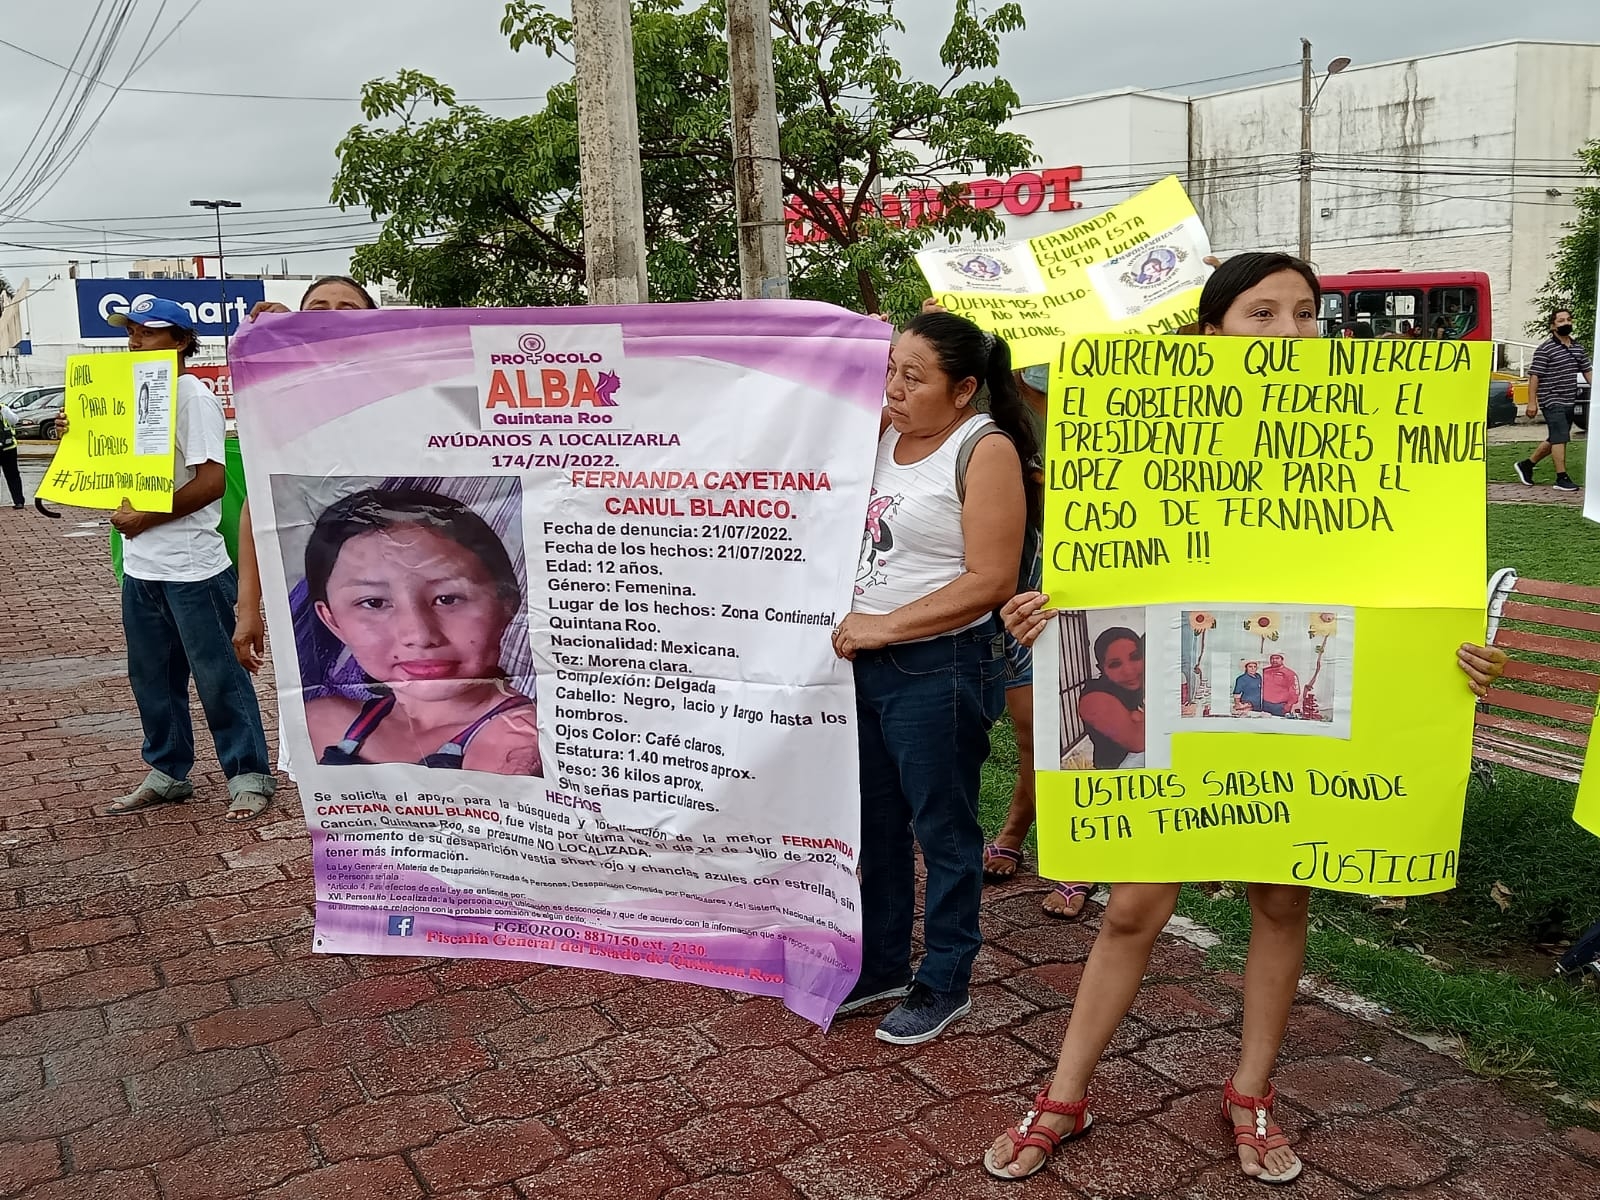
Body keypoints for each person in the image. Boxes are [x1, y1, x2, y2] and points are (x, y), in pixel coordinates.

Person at [982, 252, 1509, 1185]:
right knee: (1136, 904)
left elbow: (1416, 584)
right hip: (1179, 689)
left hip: (1302, 691)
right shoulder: (1144, 434)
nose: (1290, 332)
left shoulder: (1371, 430)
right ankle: (1065, 1092)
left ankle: (1251, 1091)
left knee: (1280, 893)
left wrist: (1455, 659)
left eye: (1305, 314)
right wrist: (1042, 612)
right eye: (1261, 314)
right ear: (1211, 330)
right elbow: (1103, 575)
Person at [831, 310, 1033, 1044]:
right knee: (874, 825)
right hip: (864, 665)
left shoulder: (983, 450)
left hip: (938, 666)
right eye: (889, 370)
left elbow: (990, 578)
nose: (894, 388)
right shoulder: (880, 438)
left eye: (913, 377)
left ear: (964, 389)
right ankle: (882, 964)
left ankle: (945, 979)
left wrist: (884, 625)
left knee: (943, 830)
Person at [59, 298, 275, 820]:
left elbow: (211, 482)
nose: (134, 340)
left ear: (180, 341)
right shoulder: (127, 395)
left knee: (220, 675)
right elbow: (114, 469)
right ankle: (168, 770)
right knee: (152, 679)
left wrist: (146, 520)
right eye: (130, 330)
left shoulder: (190, 395)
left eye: (149, 332)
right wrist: (79, 441)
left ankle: (248, 773)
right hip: (143, 568)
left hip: (193, 567)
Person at [300, 486, 540, 775]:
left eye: (448, 598)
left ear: (507, 603)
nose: (420, 636)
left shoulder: (523, 742)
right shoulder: (322, 724)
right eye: (374, 603)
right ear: (333, 622)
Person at [982, 362, 1095, 919]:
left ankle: (1074, 856)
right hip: (997, 603)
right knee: (1024, 733)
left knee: (1065, 733)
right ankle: (1018, 823)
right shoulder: (988, 399)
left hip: (1064, 601)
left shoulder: (1088, 393)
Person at [234, 276, 379, 672]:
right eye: (318, 309)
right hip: (309, 586)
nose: (332, 318)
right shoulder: (281, 402)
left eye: (348, 309)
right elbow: (259, 505)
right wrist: (248, 607)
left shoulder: (405, 393)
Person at [1515, 307, 1590, 494]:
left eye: (1568, 320)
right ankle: (1561, 477)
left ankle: (1527, 465)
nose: (1566, 323)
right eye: (1561, 320)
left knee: (1556, 437)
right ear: (1552, 326)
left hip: (1569, 399)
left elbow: (1587, 371)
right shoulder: (1545, 349)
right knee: (1560, 437)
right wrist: (1532, 403)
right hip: (1551, 399)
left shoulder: (1577, 347)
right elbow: (1534, 376)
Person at [1078, 626, 1144, 768]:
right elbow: (1140, 741)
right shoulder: (1094, 697)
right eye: (1115, 664)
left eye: (1135, 657)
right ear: (1101, 668)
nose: (1128, 671)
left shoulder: (1144, 684)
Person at [1260, 652, 1300, 717]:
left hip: (1280, 707)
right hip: (1264, 705)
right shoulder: (1264, 671)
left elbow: (1295, 692)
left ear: (1282, 660)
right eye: (1272, 658)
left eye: (1277, 658)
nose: (1274, 660)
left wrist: (1288, 705)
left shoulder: (1290, 674)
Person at [0, 398, 24, 508]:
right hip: (9, 447)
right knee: (13, 475)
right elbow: (14, 420)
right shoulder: (3, 408)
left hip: (7, 447)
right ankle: (19, 501)